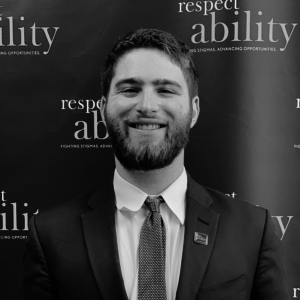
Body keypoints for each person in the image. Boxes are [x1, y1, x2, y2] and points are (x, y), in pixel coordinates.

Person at [19, 28, 289, 300]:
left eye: (165, 90)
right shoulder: (51, 235)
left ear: (193, 110)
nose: (147, 105)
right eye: (130, 89)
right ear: (102, 109)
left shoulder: (252, 230)